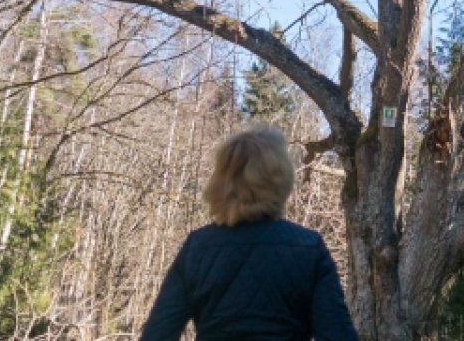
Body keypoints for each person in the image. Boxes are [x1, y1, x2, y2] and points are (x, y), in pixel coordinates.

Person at [140, 125, 359, 341]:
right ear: (280, 180)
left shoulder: (197, 247)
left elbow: (157, 334)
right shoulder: (309, 248)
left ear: (221, 182)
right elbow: (337, 334)